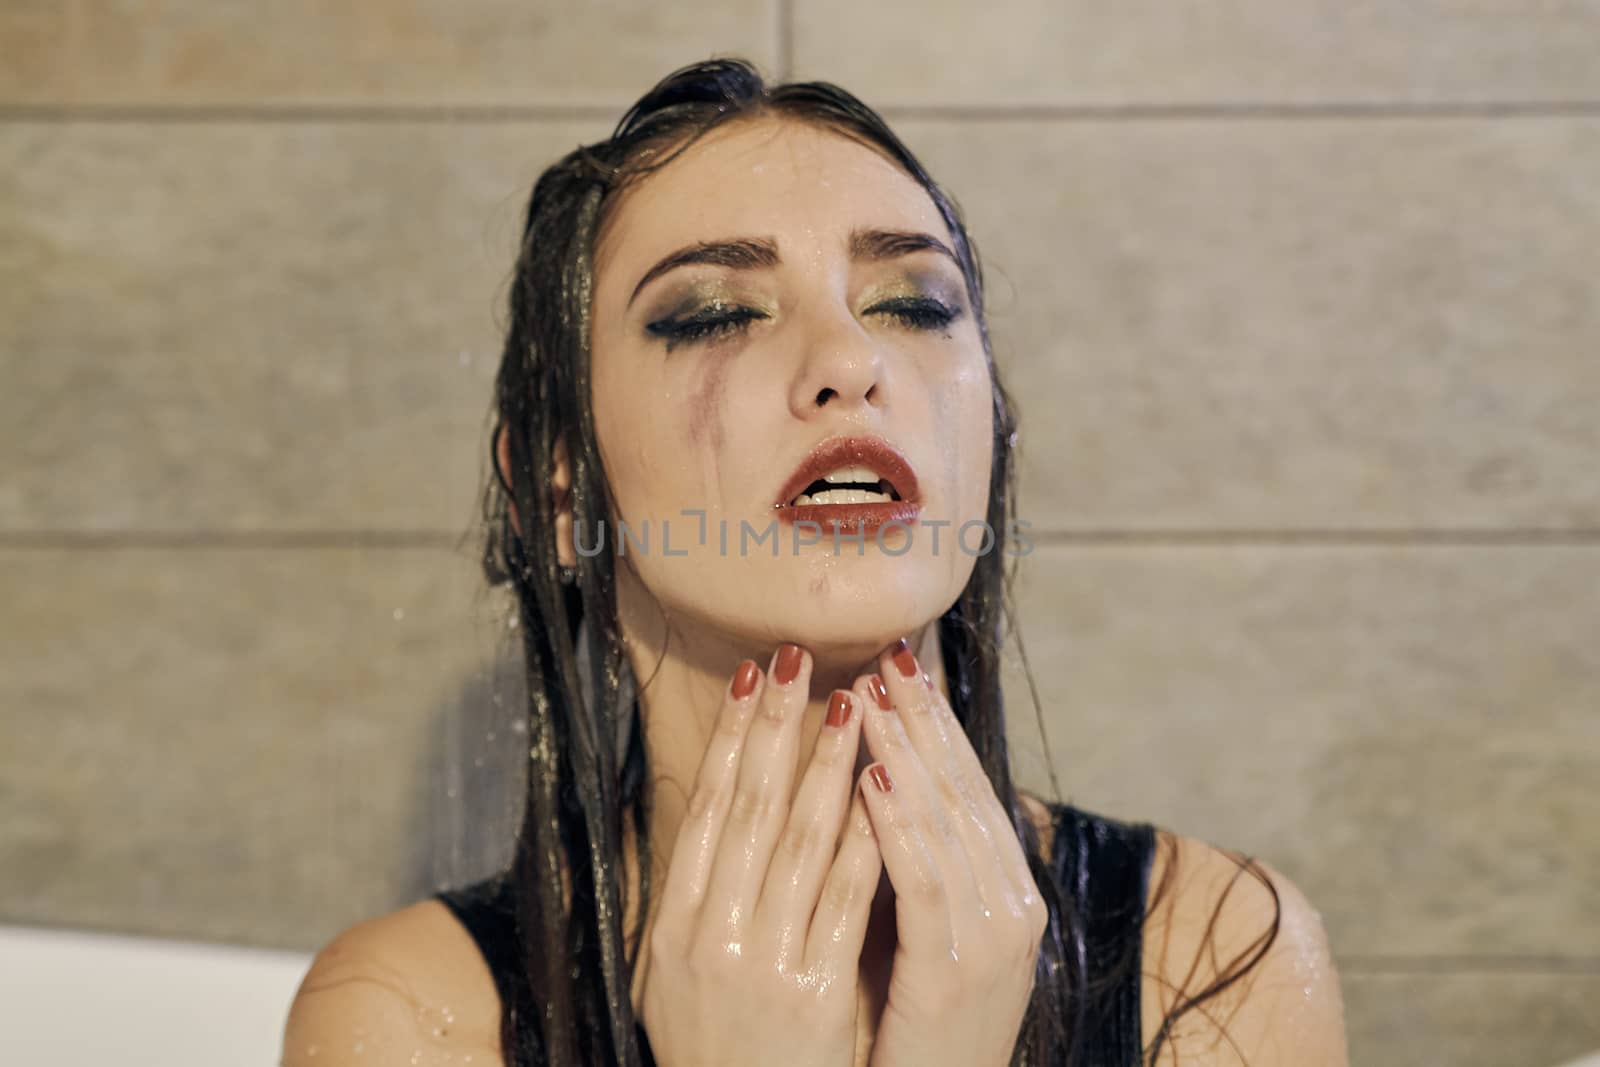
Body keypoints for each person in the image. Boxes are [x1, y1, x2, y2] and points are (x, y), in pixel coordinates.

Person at [281, 57, 1347, 1067]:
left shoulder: (1207, 950)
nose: (850, 360)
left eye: (915, 304)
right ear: (558, 489)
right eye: (713, 314)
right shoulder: (414, 1015)